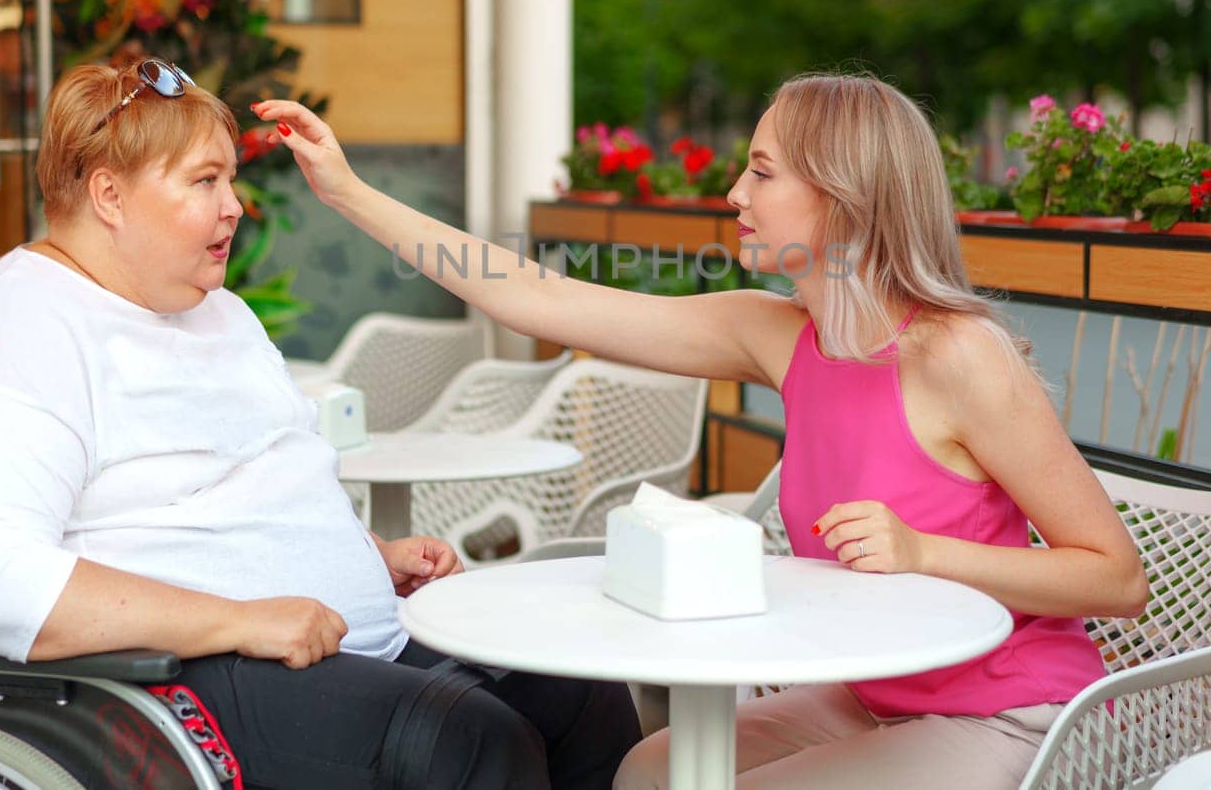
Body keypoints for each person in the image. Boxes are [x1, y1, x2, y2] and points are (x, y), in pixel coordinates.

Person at [254, 72, 1151, 790]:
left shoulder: (960, 356)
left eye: (762, 173)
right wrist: (351, 195)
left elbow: (1115, 577)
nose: (734, 193)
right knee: (651, 770)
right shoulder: (777, 335)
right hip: (874, 698)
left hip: (1009, 712)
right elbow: (538, 295)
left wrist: (924, 552)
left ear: (842, 195)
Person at [0, 60, 640, 790]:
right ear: (109, 194)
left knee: (581, 694)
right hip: (174, 680)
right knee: (476, 742)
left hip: (331, 644)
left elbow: (263, 477)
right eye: (205, 182)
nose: (234, 206)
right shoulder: (22, 325)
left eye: (230, 180)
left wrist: (366, 555)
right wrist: (237, 620)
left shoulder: (215, 310)